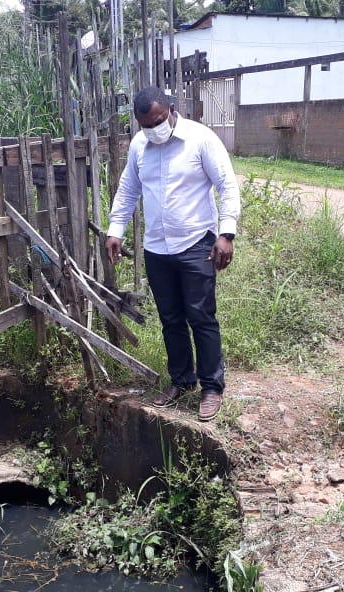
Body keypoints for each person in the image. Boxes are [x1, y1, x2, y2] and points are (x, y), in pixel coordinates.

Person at [106, 86, 241, 422]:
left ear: (171, 108)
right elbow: (128, 190)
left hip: (196, 243)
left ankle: (212, 387)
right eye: (146, 126)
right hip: (157, 248)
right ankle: (182, 380)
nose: (154, 130)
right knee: (171, 319)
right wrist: (115, 230)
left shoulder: (200, 139)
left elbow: (226, 185)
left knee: (201, 316)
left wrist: (226, 234)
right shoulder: (140, 145)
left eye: (158, 121)